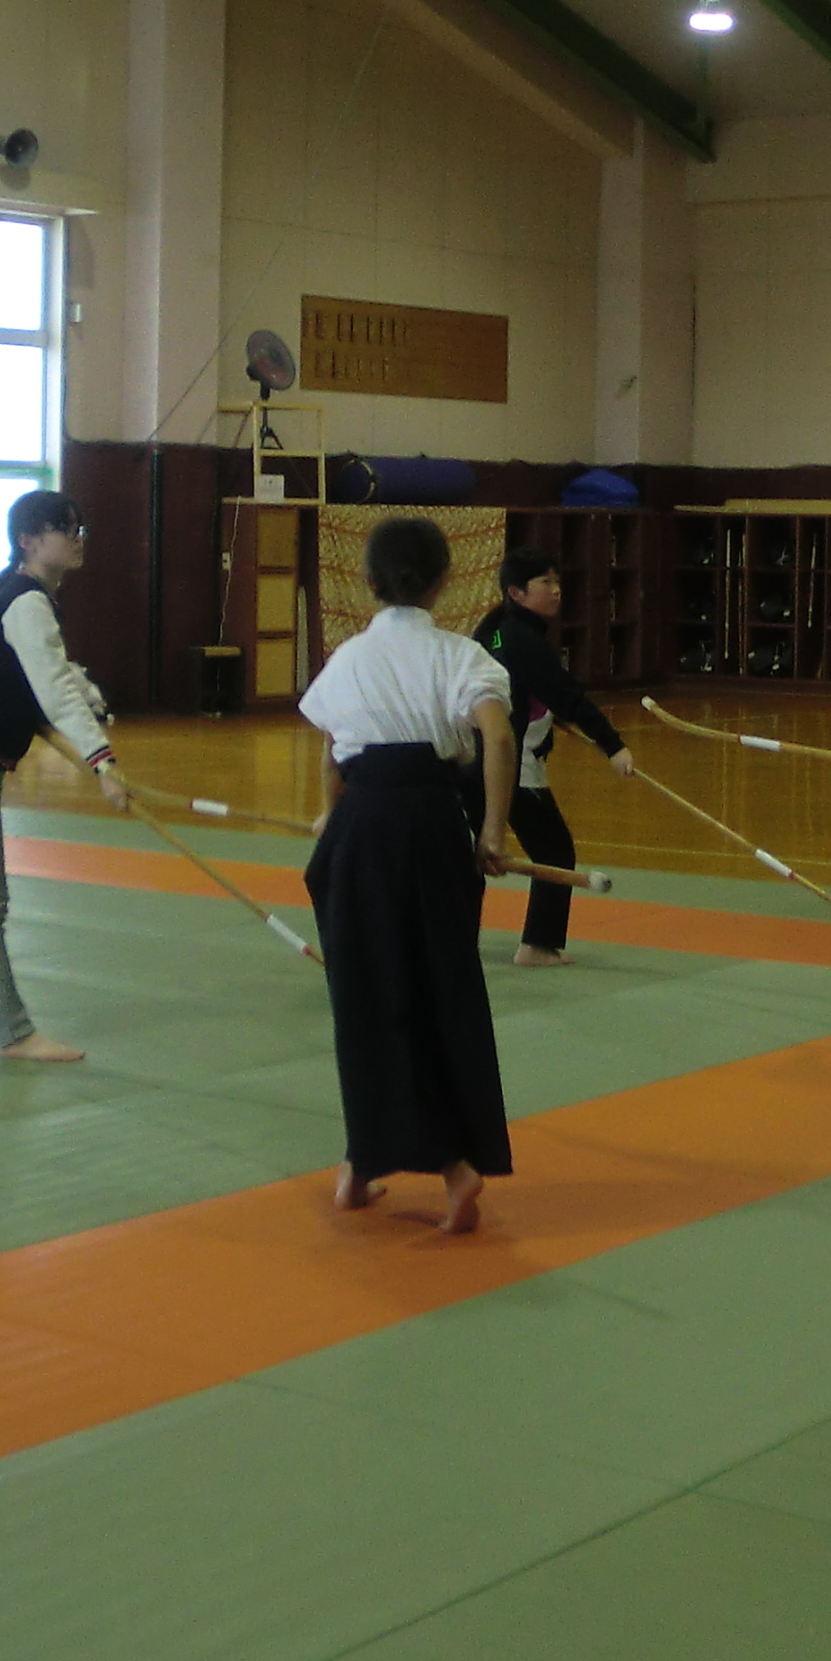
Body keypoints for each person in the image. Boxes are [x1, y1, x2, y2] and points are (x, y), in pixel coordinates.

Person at [300, 514, 518, 1234]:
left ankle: (398, 1162)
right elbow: (497, 736)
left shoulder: (348, 659)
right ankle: (390, 1164)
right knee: (438, 994)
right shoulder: (461, 656)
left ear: (366, 581)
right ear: (445, 580)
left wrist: (330, 815)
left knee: (366, 997)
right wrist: (491, 828)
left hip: (362, 830)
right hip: (432, 829)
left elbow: (333, 750)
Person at [0, 489, 128, 1061]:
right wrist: (103, 764)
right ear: (28, 542)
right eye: (65, 529)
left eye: (78, 527)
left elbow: (54, 670)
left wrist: (90, 696)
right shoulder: (27, 601)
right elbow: (55, 689)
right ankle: (14, 1033)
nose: (77, 538)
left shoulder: (22, 593)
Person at [471, 546, 636, 968]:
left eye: (557, 581)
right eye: (545, 582)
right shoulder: (523, 640)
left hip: (471, 760)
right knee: (554, 850)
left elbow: (532, 691)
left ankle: (455, 940)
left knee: (470, 853)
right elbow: (567, 696)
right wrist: (613, 746)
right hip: (511, 763)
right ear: (517, 592)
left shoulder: (494, 629)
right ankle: (539, 945)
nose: (557, 589)